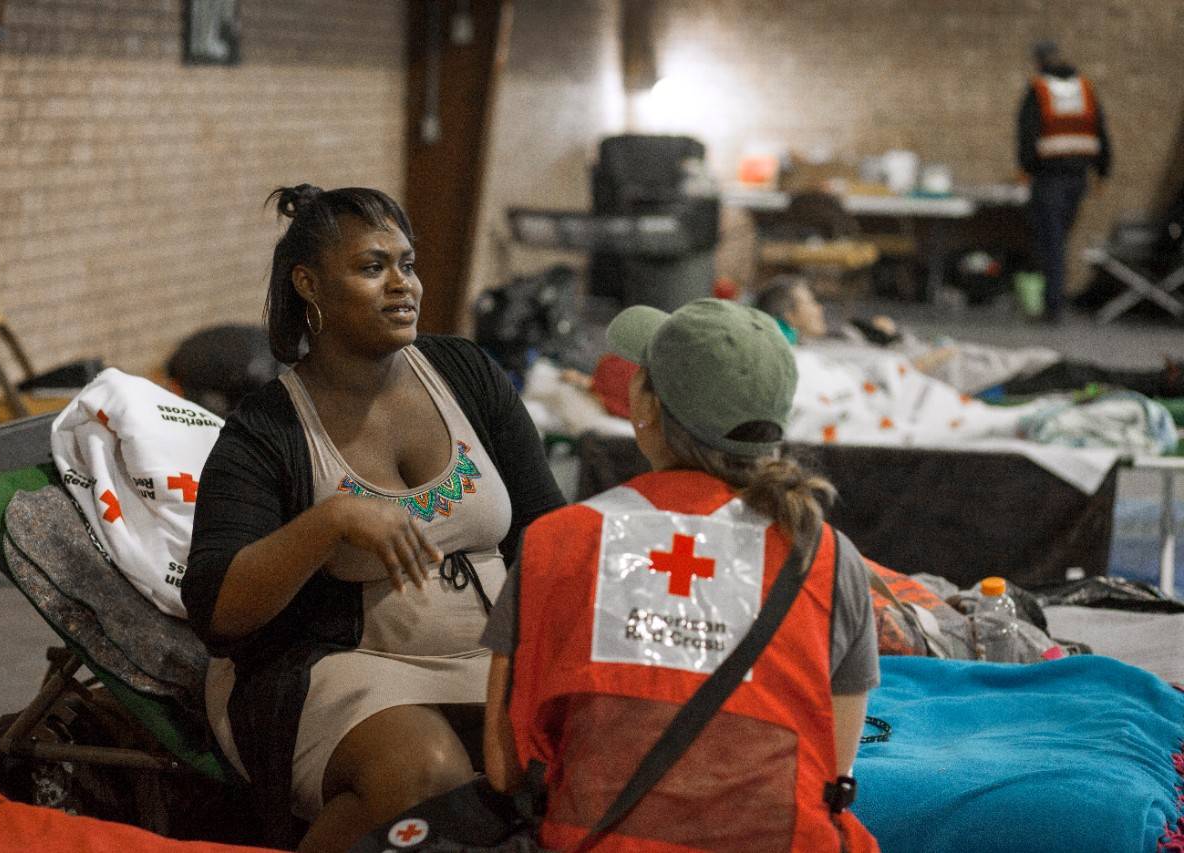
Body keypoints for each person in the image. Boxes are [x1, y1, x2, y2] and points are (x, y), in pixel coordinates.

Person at [182, 185, 565, 853]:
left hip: (490, 659)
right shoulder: (267, 428)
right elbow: (217, 609)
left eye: (407, 264)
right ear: (310, 285)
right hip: (338, 669)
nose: (402, 285)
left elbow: (549, 533)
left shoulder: (467, 374)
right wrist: (328, 523)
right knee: (426, 771)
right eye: (371, 267)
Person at [481, 298, 881, 852]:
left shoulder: (557, 541)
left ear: (645, 408)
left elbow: (506, 769)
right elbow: (832, 768)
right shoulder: (829, 558)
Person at [757, 276, 1183, 398]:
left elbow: (884, 350)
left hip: (953, 363)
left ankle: (1162, 380)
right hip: (957, 381)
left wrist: (886, 333)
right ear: (791, 314)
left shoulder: (838, 335)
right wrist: (934, 355)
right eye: (809, 302)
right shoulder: (818, 356)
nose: (818, 307)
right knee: (1071, 373)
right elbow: (888, 377)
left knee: (1059, 363)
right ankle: (1162, 383)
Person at [1017, 39, 1112, 323]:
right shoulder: (1084, 88)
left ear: (1038, 61)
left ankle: (1053, 307)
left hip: (1049, 179)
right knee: (1060, 241)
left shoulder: (1039, 90)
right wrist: (1103, 171)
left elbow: (1027, 134)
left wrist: (1026, 169)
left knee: (1052, 243)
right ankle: (1055, 302)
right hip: (1079, 178)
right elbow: (1101, 131)